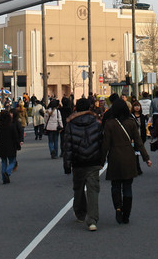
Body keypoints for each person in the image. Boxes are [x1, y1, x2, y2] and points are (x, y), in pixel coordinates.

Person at [101, 99, 151, 224]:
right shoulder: (131, 122)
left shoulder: (110, 123)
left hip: (114, 157)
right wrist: (146, 158)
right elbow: (138, 142)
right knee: (127, 186)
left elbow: (105, 144)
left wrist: (101, 161)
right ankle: (126, 214)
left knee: (115, 185)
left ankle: (118, 208)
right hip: (129, 156)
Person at [62, 98, 104, 231]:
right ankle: (92, 220)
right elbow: (101, 143)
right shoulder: (96, 123)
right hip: (93, 160)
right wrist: (101, 160)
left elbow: (67, 147)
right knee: (93, 190)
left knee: (78, 188)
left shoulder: (70, 124)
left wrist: (67, 165)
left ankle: (80, 213)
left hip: (77, 161)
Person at [0, 110, 22, 184]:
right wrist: (18, 145)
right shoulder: (11, 126)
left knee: (4, 162)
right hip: (11, 146)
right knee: (12, 161)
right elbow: (15, 137)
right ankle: (7, 172)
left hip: (2, 145)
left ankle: (4, 178)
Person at [130, 101, 148, 175]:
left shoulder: (143, 116)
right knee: (135, 154)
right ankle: (137, 168)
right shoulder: (131, 117)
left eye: (138, 106)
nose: (137, 107)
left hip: (141, 137)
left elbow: (144, 128)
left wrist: (144, 138)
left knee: (138, 153)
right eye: (135, 106)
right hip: (133, 138)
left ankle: (136, 168)